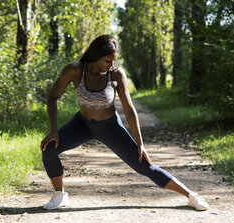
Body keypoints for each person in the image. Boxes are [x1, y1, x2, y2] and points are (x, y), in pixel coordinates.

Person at [40, 34, 209, 211]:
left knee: (145, 166)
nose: (111, 65)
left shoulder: (116, 74)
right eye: (107, 60)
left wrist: (140, 143)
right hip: (82, 125)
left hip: (110, 127)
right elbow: (52, 98)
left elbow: (129, 110)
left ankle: (191, 196)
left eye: (113, 61)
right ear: (96, 55)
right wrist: (53, 130)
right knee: (49, 148)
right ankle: (60, 195)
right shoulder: (74, 70)